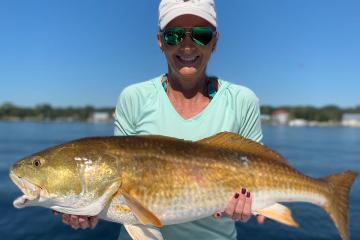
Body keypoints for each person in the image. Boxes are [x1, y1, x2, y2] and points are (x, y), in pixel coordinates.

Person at [56, 0, 266, 239]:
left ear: (215, 41)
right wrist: (85, 208)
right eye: (174, 35)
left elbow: (258, 173)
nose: (187, 45)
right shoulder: (133, 98)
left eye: (201, 35)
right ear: (160, 41)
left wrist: (255, 205)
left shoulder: (243, 100)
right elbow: (116, 185)